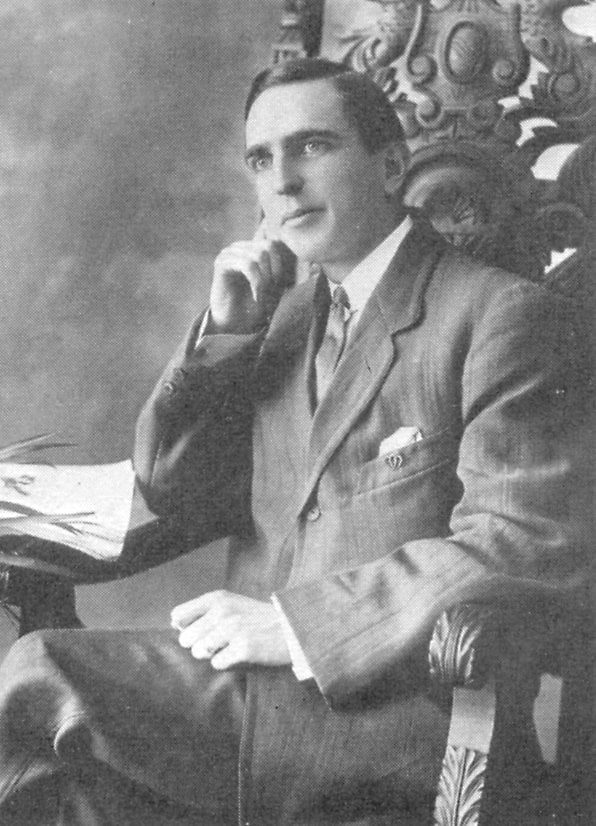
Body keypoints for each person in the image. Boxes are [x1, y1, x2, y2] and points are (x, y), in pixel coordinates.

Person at [0, 57, 585, 825]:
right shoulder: (281, 314)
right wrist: (226, 337)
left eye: (312, 147)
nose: (282, 181)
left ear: (389, 164)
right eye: (261, 160)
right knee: (63, 794)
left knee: (42, 667)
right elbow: (170, 486)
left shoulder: (499, 317)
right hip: (241, 701)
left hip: (389, 713)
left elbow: (523, 542)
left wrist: (297, 626)